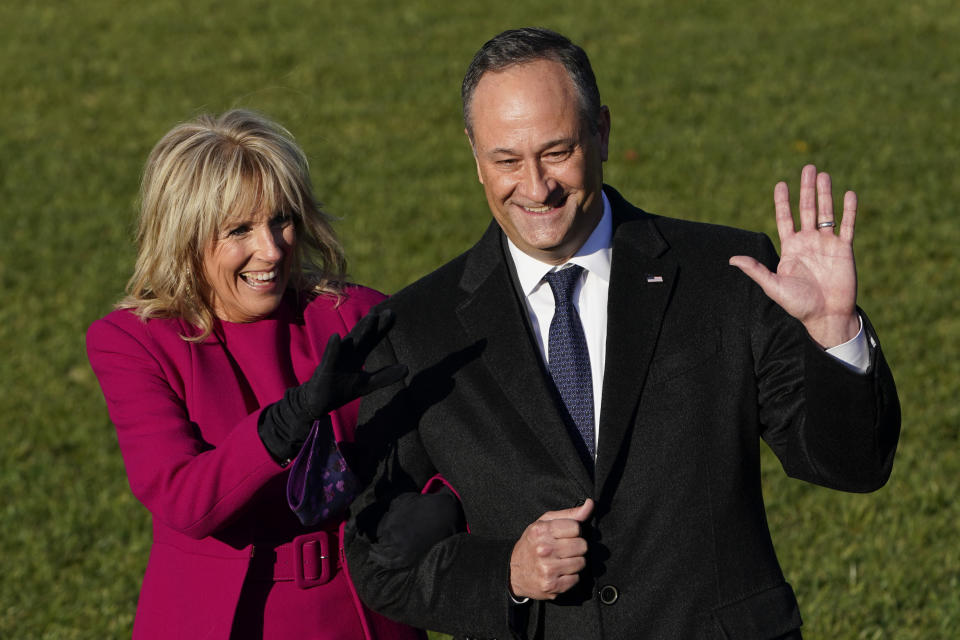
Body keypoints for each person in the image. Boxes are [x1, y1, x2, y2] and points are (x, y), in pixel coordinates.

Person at [344, 28, 901, 640]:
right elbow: (380, 560)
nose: (535, 188)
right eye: (507, 160)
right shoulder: (419, 329)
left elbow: (853, 465)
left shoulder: (726, 275)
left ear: (601, 132)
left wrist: (833, 332)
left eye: (557, 152)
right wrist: (506, 572)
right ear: (475, 155)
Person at [86, 110, 426, 640]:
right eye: (240, 230)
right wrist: (288, 420)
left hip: (364, 615)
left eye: (282, 219)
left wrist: (439, 504)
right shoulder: (133, 343)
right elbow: (184, 499)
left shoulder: (350, 314)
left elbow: (449, 433)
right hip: (224, 618)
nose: (271, 250)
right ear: (185, 236)